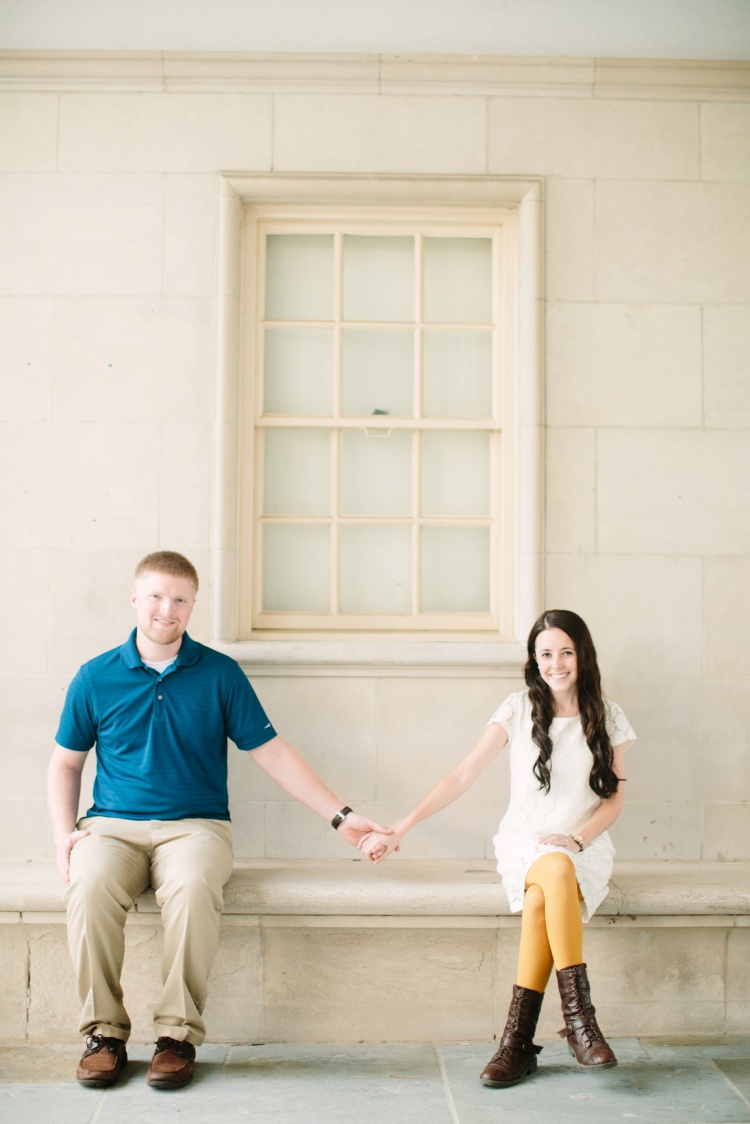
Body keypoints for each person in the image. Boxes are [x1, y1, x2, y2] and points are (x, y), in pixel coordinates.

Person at [47, 551, 391, 1091]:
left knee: (191, 884)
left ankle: (176, 1037)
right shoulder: (95, 677)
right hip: (110, 827)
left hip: (197, 826)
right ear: (135, 599)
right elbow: (65, 763)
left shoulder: (220, 674)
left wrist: (340, 816)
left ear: (192, 606)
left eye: (180, 599)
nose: (168, 609)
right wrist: (63, 834)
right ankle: (104, 1035)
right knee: (85, 884)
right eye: (157, 596)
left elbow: (273, 753)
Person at [359, 609, 635, 1087]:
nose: (556, 663)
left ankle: (517, 1045)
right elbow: (461, 774)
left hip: (582, 846)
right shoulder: (518, 708)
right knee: (551, 871)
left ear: (583, 654)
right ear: (534, 659)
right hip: (524, 843)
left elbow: (613, 803)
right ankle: (581, 1024)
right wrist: (402, 826)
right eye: (545, 653)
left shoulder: (608, 715)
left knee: (544, 892)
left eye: (566, 652)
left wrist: (575, 838)